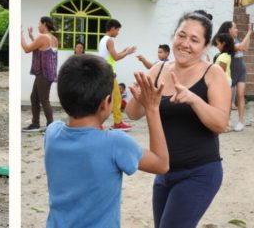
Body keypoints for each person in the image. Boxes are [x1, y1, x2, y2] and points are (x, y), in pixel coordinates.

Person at [126, 10, 230, 228]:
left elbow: (221, 124)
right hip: (163, 173)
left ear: (205, 46)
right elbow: (133, 114)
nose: (185, 44)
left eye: (194, 39)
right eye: (181, 36)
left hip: (199, 173)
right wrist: (140, 98)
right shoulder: (158, 69)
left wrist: (194, 100)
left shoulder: (213, 73)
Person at [44, 55, 168, 228]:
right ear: (106, 102)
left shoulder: (51, 133)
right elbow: (161, 164)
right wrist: (152, 109)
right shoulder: (115, 143)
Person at [21, 16, 60, 132]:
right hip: (48, 73)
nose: (38, 26)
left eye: (39, 23)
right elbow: (40, 48)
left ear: (44, 24)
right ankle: (35, 123)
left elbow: (27, 49)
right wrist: (31, 36)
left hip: (43, 73)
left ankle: (50, 126)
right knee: (34, 97)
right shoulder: (53, 38)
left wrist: (20, 35)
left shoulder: (43, 37)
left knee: (44, 99)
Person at [98, 19, 136, 130]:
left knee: (107, 99)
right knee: (115, 98)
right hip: (108, 73)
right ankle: (117, 122)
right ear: (113, 28)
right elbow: (116, 57)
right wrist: (127, 53)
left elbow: (113, 55)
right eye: (118, 30)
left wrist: (124, 51)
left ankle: (104, 122)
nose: (118, 33)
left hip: (105, 72)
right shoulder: (110, 40)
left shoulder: (103, 39)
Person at [217, 20, 251, 131]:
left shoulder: (236, 40)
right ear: (229, 30)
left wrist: (248, 35)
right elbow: (241, 47)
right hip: (231, 73)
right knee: (229, 99)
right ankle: (227, 121)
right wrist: (249, 32)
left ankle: (241, 121)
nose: (237, 29)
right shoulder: (228, 43)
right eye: (234, 27)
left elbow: (245, 47)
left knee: (240, 95)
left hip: (241, 71)